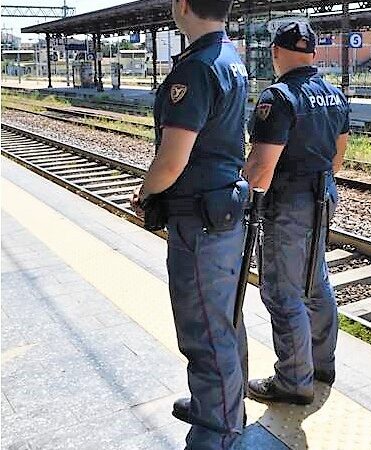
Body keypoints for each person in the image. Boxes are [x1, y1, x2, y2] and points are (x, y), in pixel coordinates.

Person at [130, 0, 249, 448]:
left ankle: (215, 435)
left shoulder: (196, 68)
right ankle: (222, 409)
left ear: (183, 5)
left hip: (198, 220)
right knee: (224, 320)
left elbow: (172, 158)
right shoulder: (230, 59)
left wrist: (146, 192)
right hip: (222, 211)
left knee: (204, 330)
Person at [244, 21, 350, 405]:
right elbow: (338, 159)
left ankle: (293, 380)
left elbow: (261, 168)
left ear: (275, 52)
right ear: (313, 54)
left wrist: (245, 194)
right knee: (315, 280)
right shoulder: (334, 95)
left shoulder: (279, 96)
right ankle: (322, 365)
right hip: (324, 193)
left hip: (289, 201)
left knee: (283, 290)